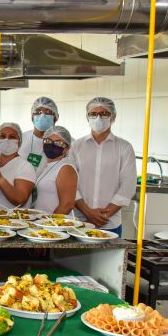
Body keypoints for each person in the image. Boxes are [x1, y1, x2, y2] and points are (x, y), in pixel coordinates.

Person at [70, 97, 137, 235]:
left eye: (104, 113)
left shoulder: (124, 147)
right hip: (78, 221)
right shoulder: (76, 146)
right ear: (87, 117)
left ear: (113, 116)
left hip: (110, 223)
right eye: (93, 114)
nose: (98, 118)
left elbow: (128, 186)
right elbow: (70, 184)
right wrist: (88, 212)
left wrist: (104, 215)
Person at [0, 122, 36, 208]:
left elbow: (20, 200)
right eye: (2, 136)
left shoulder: (25, 167)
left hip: (10, 220)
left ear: (20, 142)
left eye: (12, 137)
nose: (6, 140)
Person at [32, 126, 78, 215]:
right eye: (48, 141)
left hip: (54, 225)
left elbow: (67, 205)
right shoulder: (49, 166)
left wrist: (51, 224)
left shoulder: (66, 168)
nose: (52, 145)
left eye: (59, 143)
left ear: (67, 148)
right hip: (42, 223)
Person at [19, 96, 59, 170]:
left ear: (56, 118)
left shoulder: (65, 143)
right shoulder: (20, 140)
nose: (42, 115)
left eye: (48, 112)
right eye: (38, 112)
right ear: (32, 117)